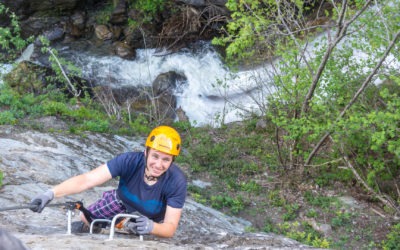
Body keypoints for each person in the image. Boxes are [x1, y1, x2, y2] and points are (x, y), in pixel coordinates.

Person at [30, 126, 187, 238]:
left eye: (166, 159)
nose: (159, 165)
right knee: (86, 218)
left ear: (173, 160)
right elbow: (87, 180)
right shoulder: (128, 161)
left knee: (143, 236)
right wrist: (50, 193)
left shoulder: (177, 181)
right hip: (121, 202)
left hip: (150, 218)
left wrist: (153, 227)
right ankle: (93, 227)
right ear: (146, 152)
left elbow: (170, 227)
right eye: (155, 156)